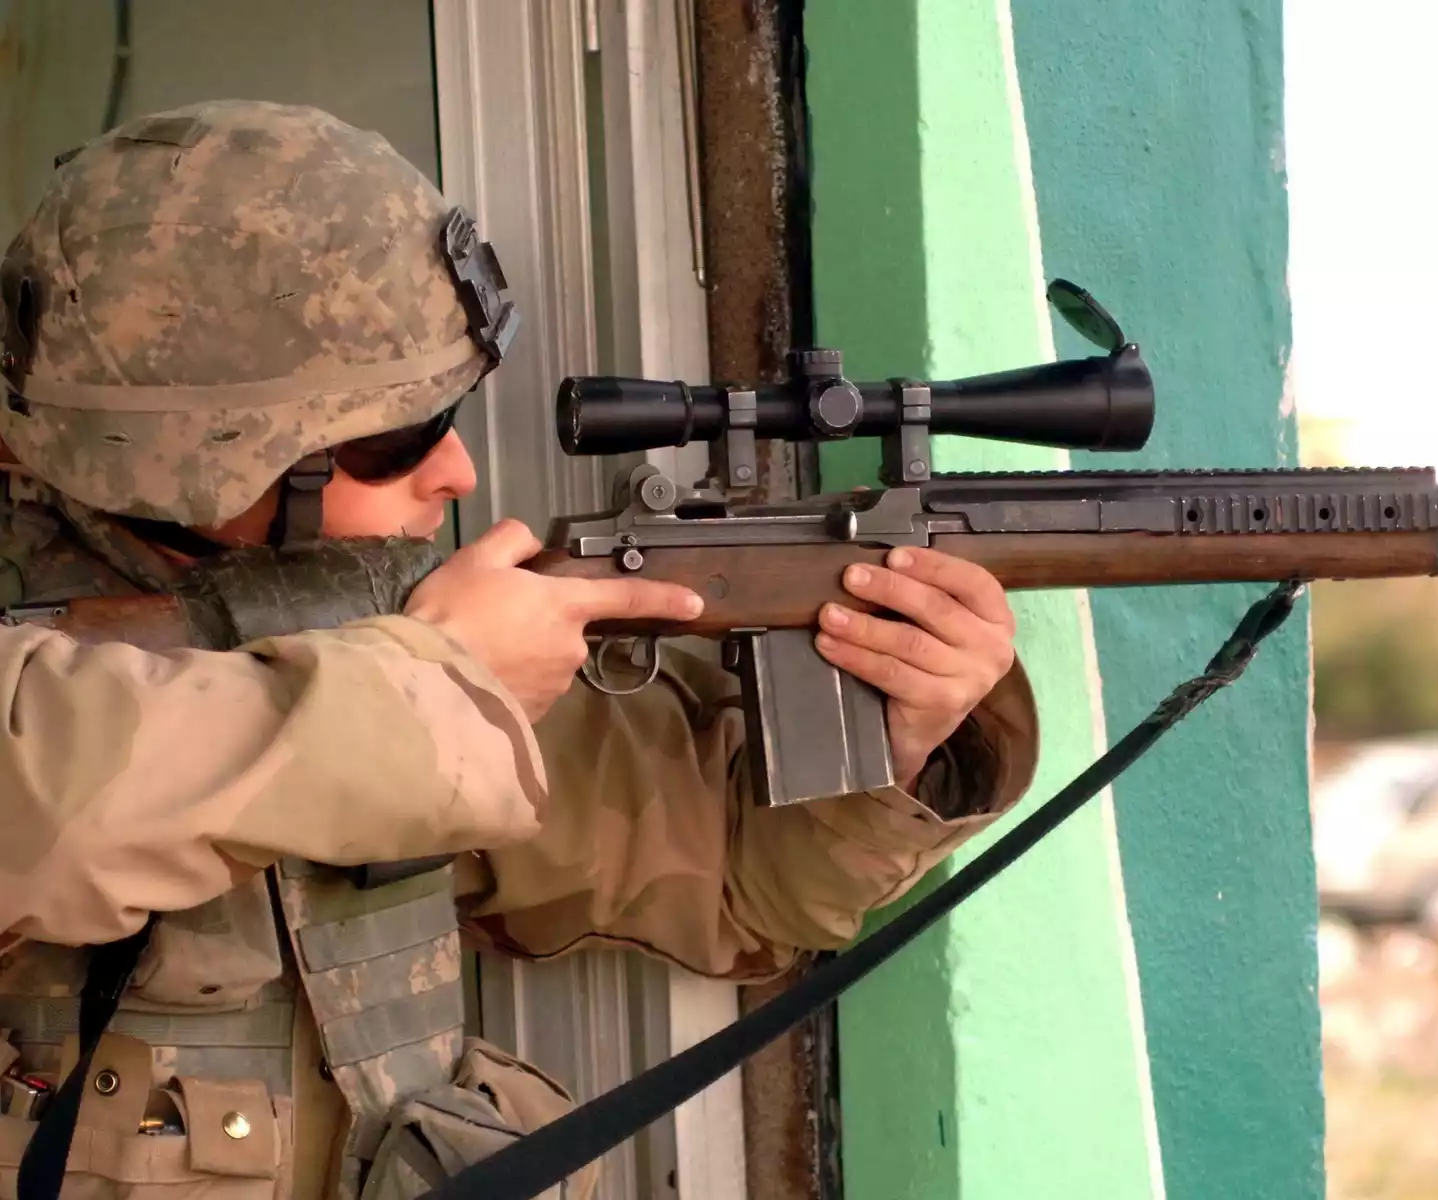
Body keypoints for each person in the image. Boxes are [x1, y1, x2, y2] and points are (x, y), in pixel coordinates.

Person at [0, 99, 1039, 1199]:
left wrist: (903, 738)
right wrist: (436, 693)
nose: (455, 474)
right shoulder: (368, 676)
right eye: (396, 441)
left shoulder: (383, 639)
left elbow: (734, 881)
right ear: (201, 456)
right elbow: (55, 799)